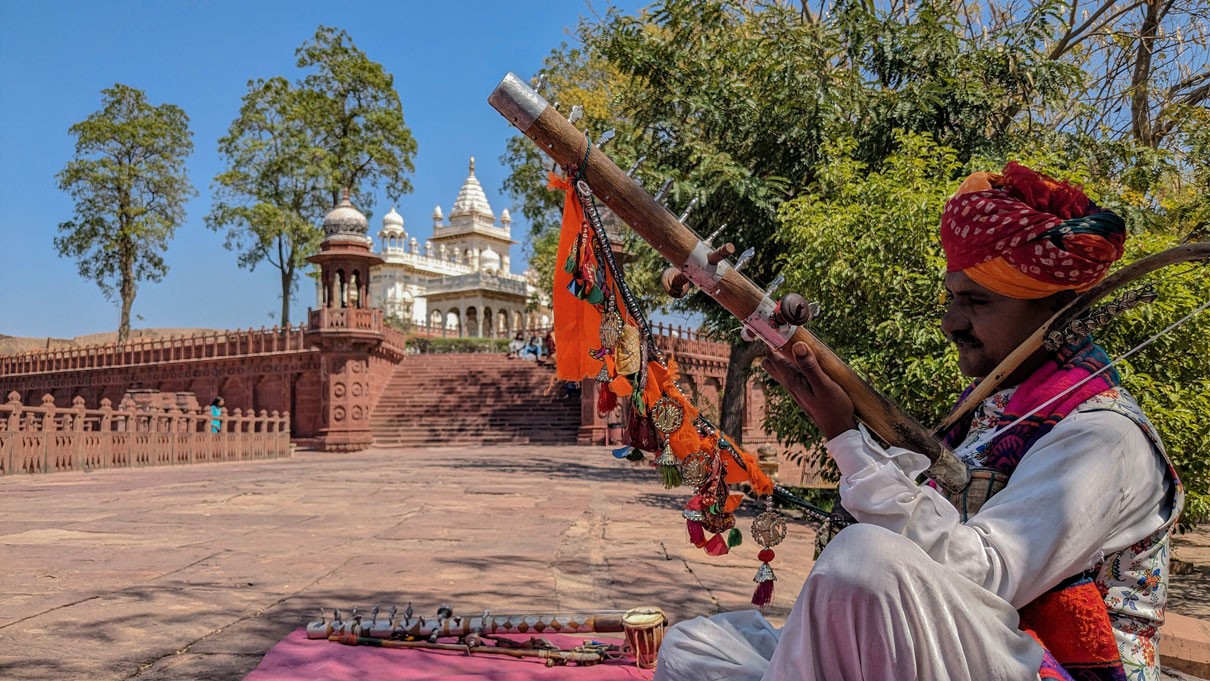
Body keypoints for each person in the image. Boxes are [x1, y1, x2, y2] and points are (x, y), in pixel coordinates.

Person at [653, 163, 1181, 681]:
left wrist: (845, 441)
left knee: (863, 564)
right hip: (964, 649)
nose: (952, 322)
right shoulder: (997, 404)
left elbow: (979, 573)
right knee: (696, 646)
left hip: (1048, 665)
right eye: (953, 298)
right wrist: (850, 433)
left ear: (1059, 309)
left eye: (976, 301)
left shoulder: (1103, 437)